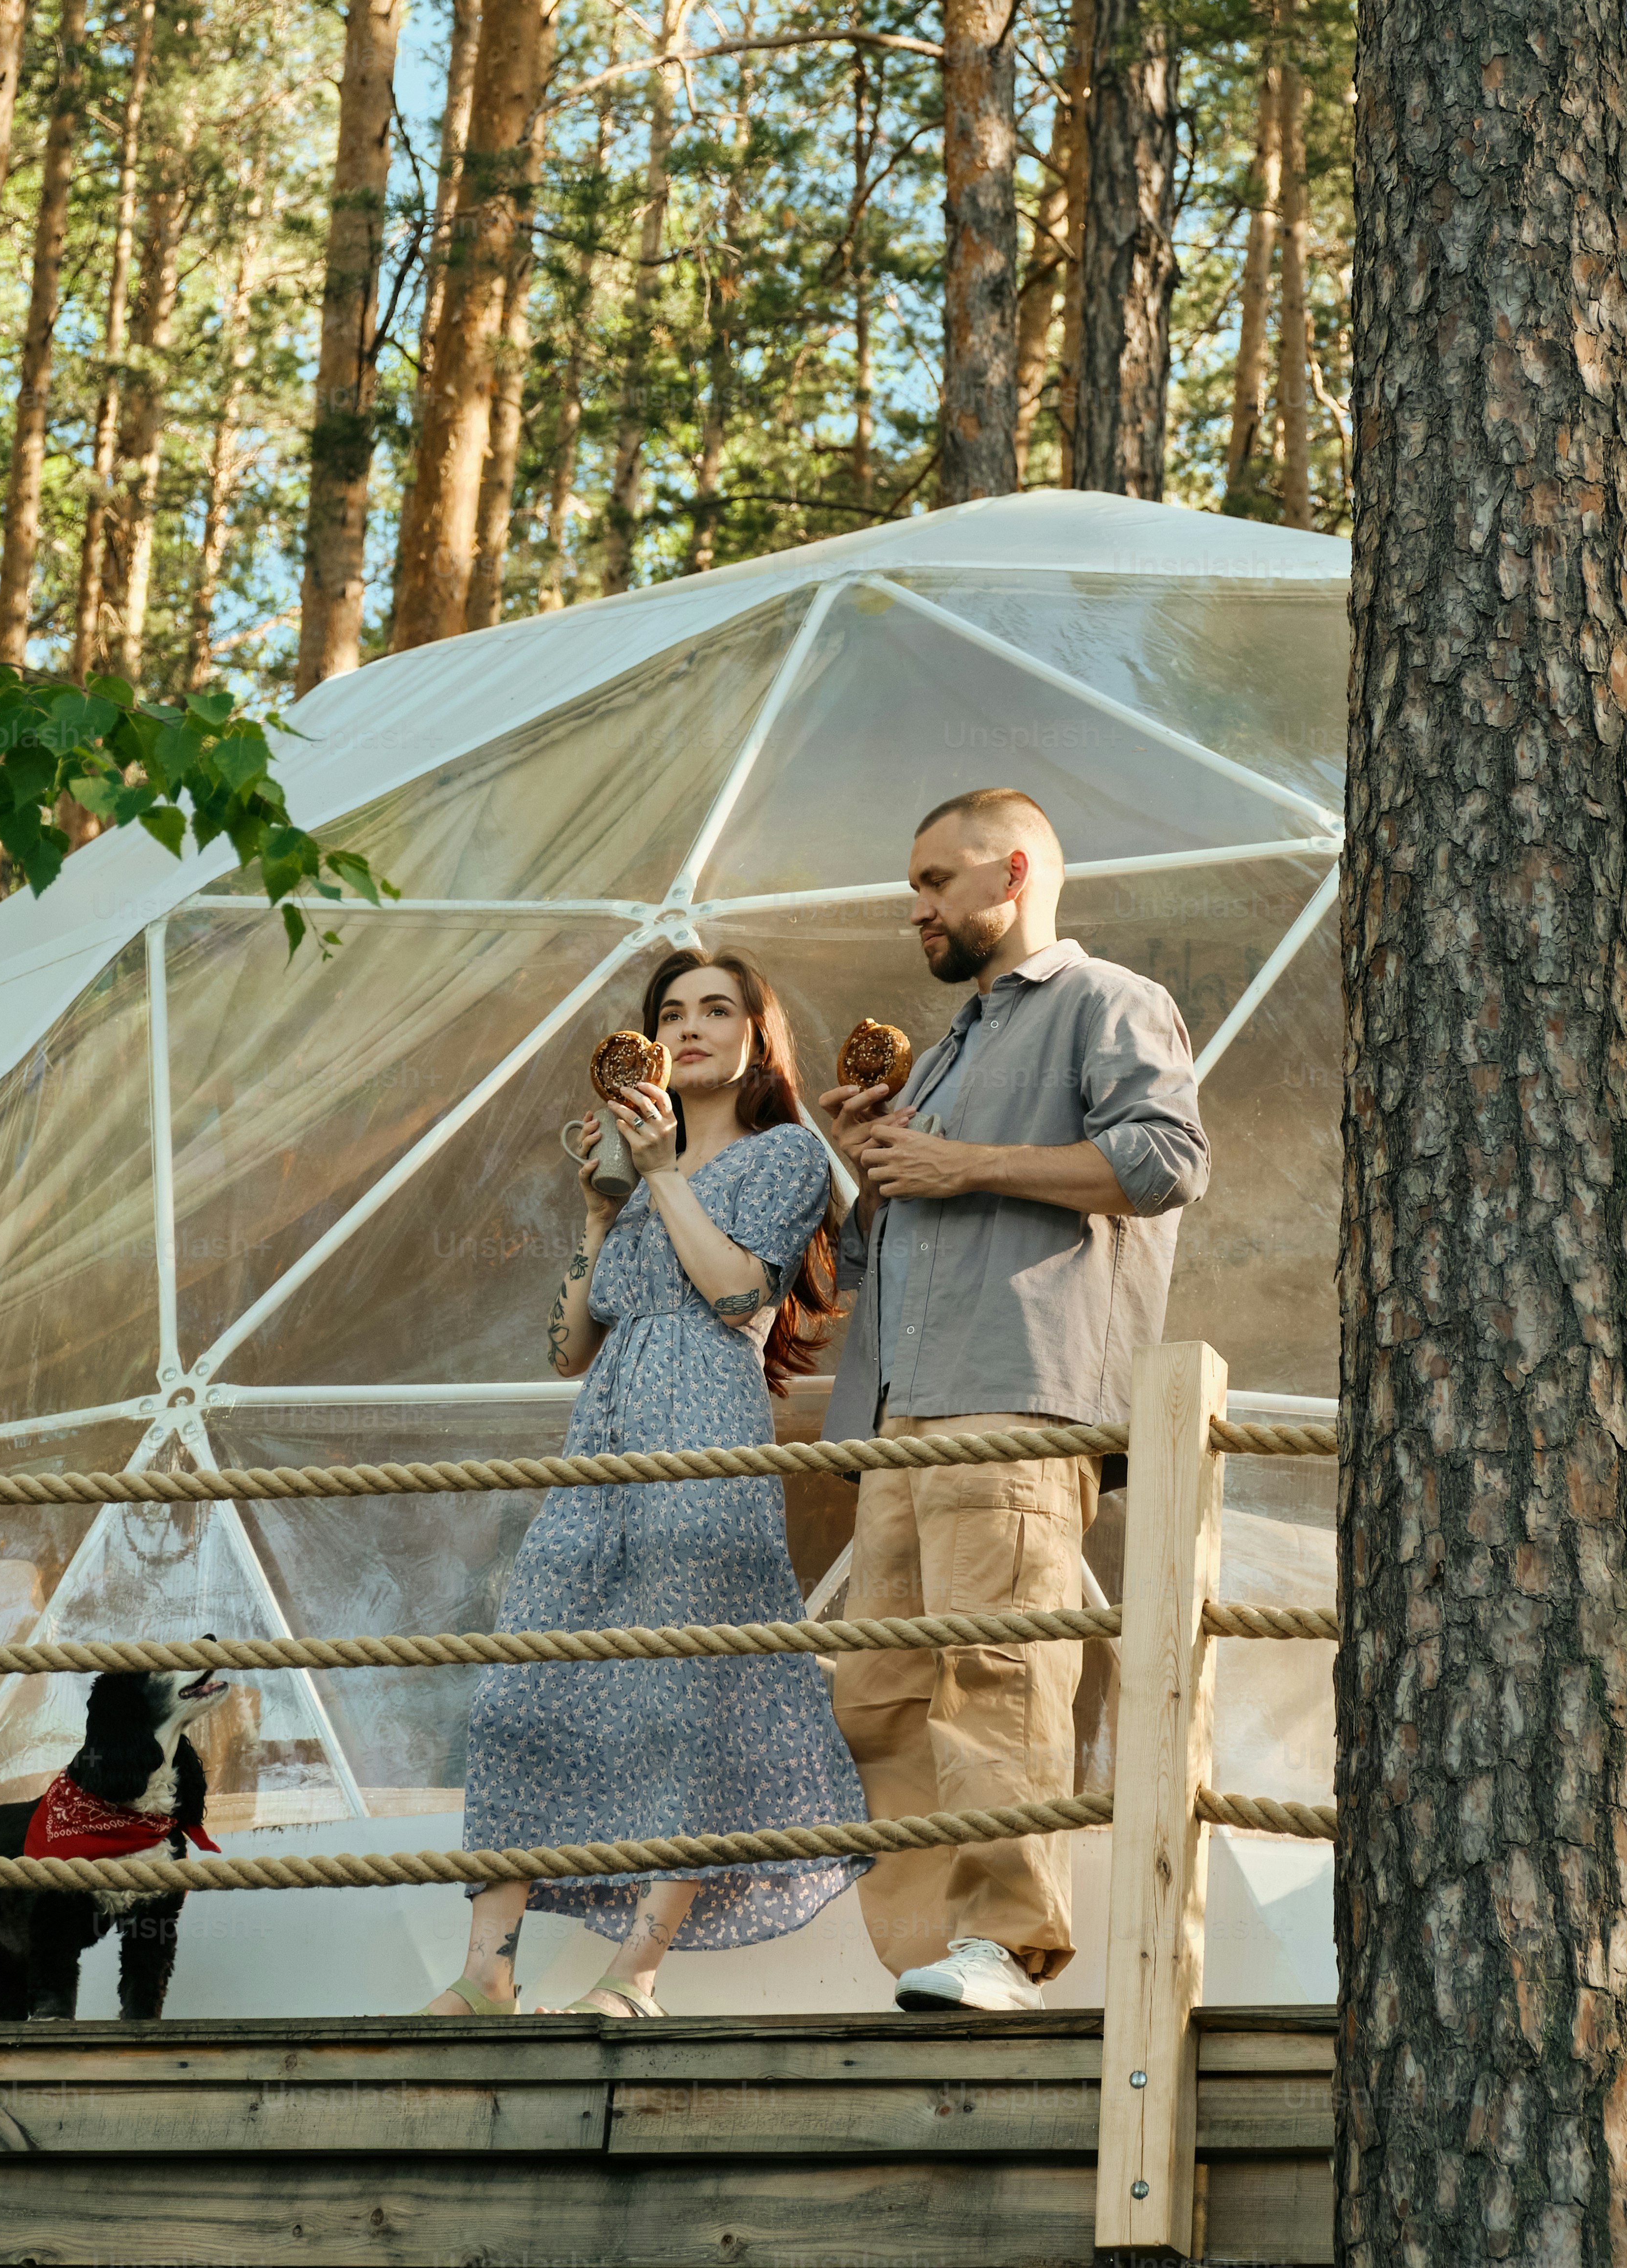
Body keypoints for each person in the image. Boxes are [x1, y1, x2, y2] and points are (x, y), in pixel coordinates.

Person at [815, 788, 1208, 2013]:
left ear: (1014, 873)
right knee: (879, 1694)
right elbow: (895, 1246)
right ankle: (930, 1957)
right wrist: (879, 1166)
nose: (916, 908)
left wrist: (962, 1162)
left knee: (996, 1670)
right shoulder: (946, 1049)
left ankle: (1005, 1944)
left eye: (936, 880)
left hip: (1016, 1396)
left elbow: (1165, 1160)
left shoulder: (1107, 1001)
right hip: (903, 1411)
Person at [426, 948, 867, 2019]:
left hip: (705, 1429)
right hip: (603, 1442)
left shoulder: (785, 1156)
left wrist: (664, 1172)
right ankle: (486, 1974)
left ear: (759, 1038)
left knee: (685, 1700)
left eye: (717, 1011)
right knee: (525, 1686)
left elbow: (736, 1296)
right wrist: (596, 1213)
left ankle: (636, 1975)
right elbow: (567, 1351)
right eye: (671, 1014)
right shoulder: (632, 1170)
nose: (690, 1029)